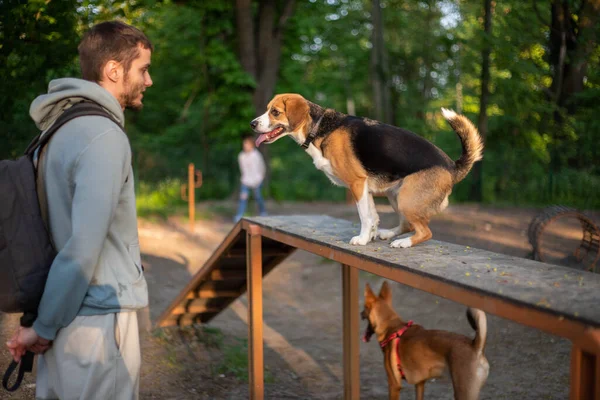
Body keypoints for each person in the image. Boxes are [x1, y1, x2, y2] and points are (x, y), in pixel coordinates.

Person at [6, 21, 153, 400]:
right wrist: (44, 327)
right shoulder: (104, 136)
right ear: (114, 71)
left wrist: (44, 321)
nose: (148, 80)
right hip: (95, 324)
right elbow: (82, 248)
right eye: (143, 69)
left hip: (62, 312)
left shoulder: (58, 129)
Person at [234, 135, 267, 222]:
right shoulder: (241, 156)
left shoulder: (256, 155)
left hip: (257, 180)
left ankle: (263, 212)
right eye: (244, 144)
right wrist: (244, 180)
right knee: (243, 198)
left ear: (251, 145)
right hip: (246, 181)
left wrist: (260, 178)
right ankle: (239, 216)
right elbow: (243, 170)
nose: (245, 146)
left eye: (247, 144)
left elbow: (261, 167)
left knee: (258, 197)